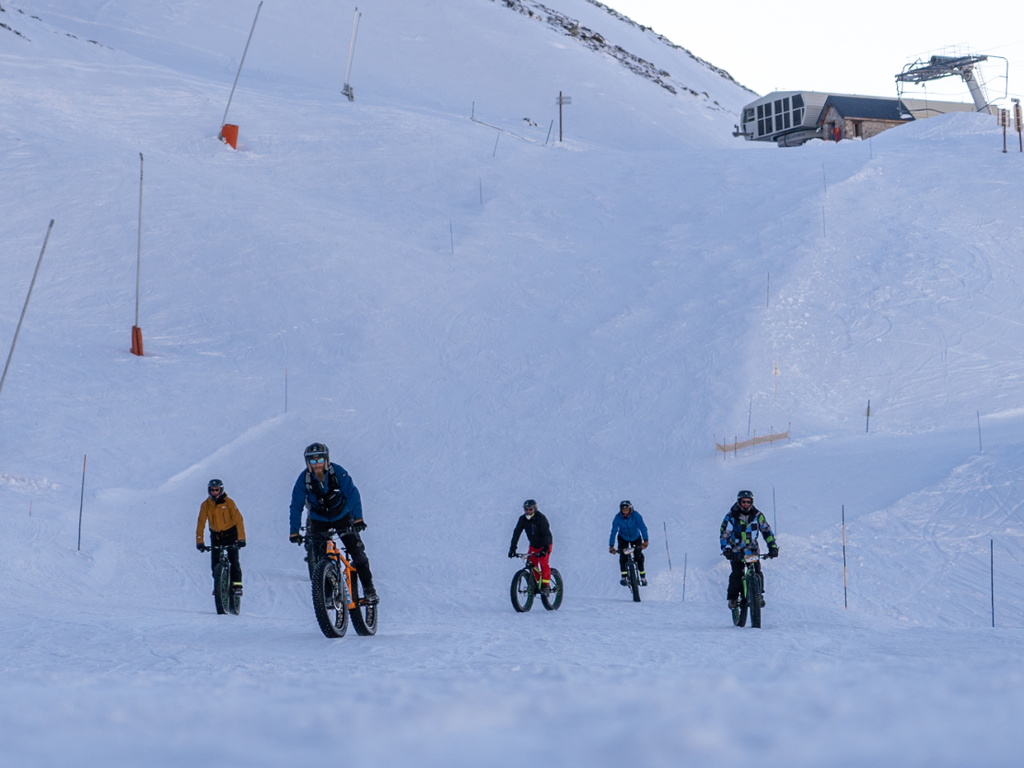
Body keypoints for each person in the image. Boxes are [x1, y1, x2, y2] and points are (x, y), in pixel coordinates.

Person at [289, 442, 378, 604]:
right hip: (318, 520)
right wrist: (294, 531)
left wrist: (357, 518)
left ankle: (369, 589)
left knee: (357, 552)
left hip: (342, 516)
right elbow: (296, 505)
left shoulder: (338, 473)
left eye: (320, 460)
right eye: (313, 462)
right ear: (307, 463)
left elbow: (352, 494)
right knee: (320, 558)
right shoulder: (304, 479)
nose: (317, 465)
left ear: (327, 460)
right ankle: (328, 595)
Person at [720, 489, 778, 609]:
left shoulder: (758, 516)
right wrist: (727, 549)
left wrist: (772, 547)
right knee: (737, 574)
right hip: (736, 551)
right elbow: (725, 533)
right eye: (743, 502)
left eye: (748, 502)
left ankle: (758, 595)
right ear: (739, 502)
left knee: (757, 571)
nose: (746, 504)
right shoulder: (731, 516)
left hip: (752, 550)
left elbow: (766, 532)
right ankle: (733, 598)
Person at [196, 478, 246, 596]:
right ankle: (218, 585)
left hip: (231, 534)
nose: (214, 493)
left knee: (234, 560)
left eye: (216, 490)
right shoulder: (205, 505)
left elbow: (239, 520)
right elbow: (201, 523)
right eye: (212, 490)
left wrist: (241, 539)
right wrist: (200, 541)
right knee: (215, 562)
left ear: (221, 490)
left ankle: (237, 585)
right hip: (216, 536)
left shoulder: (229, 503)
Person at [508, 499, 553, 596]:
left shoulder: (541, 518)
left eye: (530, 509)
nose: (528, 511)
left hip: (545, 544)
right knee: (532, 563)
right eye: (526, 509)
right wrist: (513, 548)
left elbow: (546, 534)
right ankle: (536, 583)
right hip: (533, 545)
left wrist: (545, 549)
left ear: (535, 509)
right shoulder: (522, 519)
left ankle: (546, 586)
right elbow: (516, 533)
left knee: (543, 562)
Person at [609, 500, 649, 586]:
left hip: (635, 537)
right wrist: (611, 546)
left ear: (630, 509)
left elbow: (642, 527)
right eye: (623, 510)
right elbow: (614, 531)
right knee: (623, 555)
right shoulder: (617, 518)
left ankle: (643, 577)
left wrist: (645, 540)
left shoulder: (636, 516)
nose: (625, 512)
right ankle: (624, 577)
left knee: (638, 555)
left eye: (627, 510)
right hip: (623, 538)